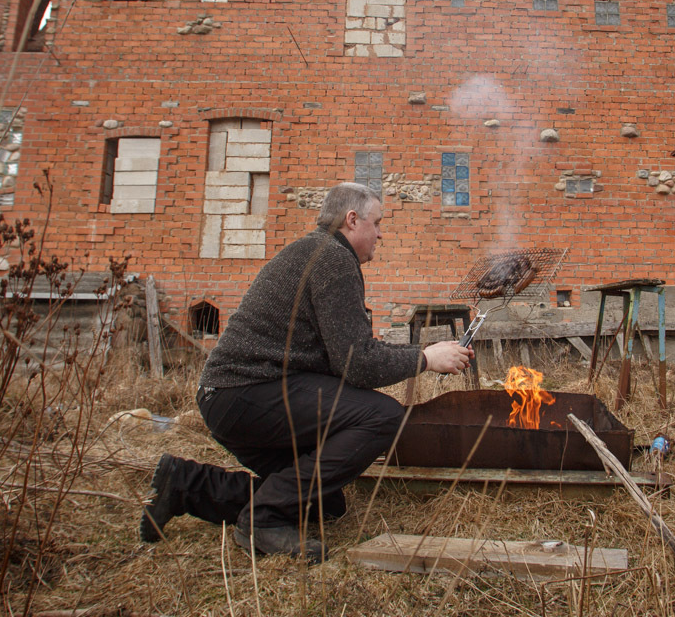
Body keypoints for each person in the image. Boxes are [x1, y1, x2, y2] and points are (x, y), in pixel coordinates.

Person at [139, 183, 472, 561]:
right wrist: (425, 359)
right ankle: (262, 521)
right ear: (352, 220)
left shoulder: (317, 252)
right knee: (384, 416)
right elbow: (358, 364)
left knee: (325, 504)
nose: (381, 233)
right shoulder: (332, 258)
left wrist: (422, 353)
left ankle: (187, 485)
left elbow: (345, 357)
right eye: (377, 223)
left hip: (234, 397)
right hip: (245, 393)